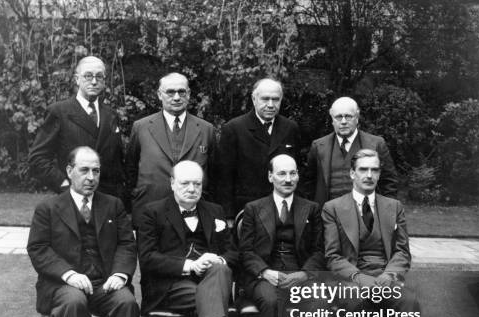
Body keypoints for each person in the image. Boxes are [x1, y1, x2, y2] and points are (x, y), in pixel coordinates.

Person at [27, 146, 140, 317]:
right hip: (63, 284)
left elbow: (127, 244)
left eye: (96, 171)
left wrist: (121, 275)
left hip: (104, 282)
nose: (90, 177)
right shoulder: (48, 208)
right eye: (84, 170)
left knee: (126, 303)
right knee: (74, 302)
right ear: (69, 171)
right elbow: (38, 249)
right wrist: (67, 273)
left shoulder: (113, 205)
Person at [322, 149, 419, 317]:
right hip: (352, 279)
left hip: (385, 275)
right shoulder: (333, 208)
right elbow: (333, 257)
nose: (369, 175)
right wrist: (363, 280)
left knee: (408, 302)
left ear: (379, 173)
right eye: (363, 169)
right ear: (352, 173)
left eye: (374, 170)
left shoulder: (393, 207)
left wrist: (387, 278)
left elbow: (402, 253)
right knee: (364, 305)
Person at [137, 161, 239, 317]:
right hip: (171, 284)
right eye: (185, 183)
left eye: (197, 183)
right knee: (212, 302)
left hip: (211, 279)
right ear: (172, 183)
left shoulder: (214, 210)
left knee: (221, 271)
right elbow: (148, 258)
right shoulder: (152, 212)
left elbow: (234, 251)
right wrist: (190, 266)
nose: (192, 188)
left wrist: (219, 260)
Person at [239, 154, 332, 317]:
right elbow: (245, 251)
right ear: (270, 176)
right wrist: (265, 272)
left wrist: (305, 274)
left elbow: (320, 250)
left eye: (292, 173)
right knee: (269, 302)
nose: (288, 179)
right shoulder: (254, 208)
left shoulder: (311, 208)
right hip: (264, 277)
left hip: (300, 276)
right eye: (281, 174)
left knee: (319, 305)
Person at [126, 72, 216, 228]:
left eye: (181, 92)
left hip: (194, 212)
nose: (176, 97)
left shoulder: (206, 129)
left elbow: (216, 174)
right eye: (170, 92)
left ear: (188, 94)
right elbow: (130, 170)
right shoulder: (141, 127)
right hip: (149, 210)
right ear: (160, 95)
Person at [28, 56, 124, 198]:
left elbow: (118, 161)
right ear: (77, 79)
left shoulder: (111, 115)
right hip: (74, 198)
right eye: (88, 76)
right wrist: (64, 185)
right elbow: (38, 159)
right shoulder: (59, 112)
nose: (93, 81)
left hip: (108, 201)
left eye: (99, 76)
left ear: (104, 81)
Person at [215, 78, 301, 223]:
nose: (270, 105)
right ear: (254, 99)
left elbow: (297, 170)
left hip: (282, 210)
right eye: (265, 99)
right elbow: (224, 177)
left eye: (275, 99)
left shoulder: (290, 128)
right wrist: (228, 216)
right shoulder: (234, 128)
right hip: (245, 210)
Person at [304, 96, 397, 208]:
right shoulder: (318, 146)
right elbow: (309, 184)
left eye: (348, 116)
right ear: (332, 120)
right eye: (338, 117)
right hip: (328, 216)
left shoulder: (376, 144)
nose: (343, 121)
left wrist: (387, 212)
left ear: (357, 118)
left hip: (366, 215)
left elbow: (389, 183)